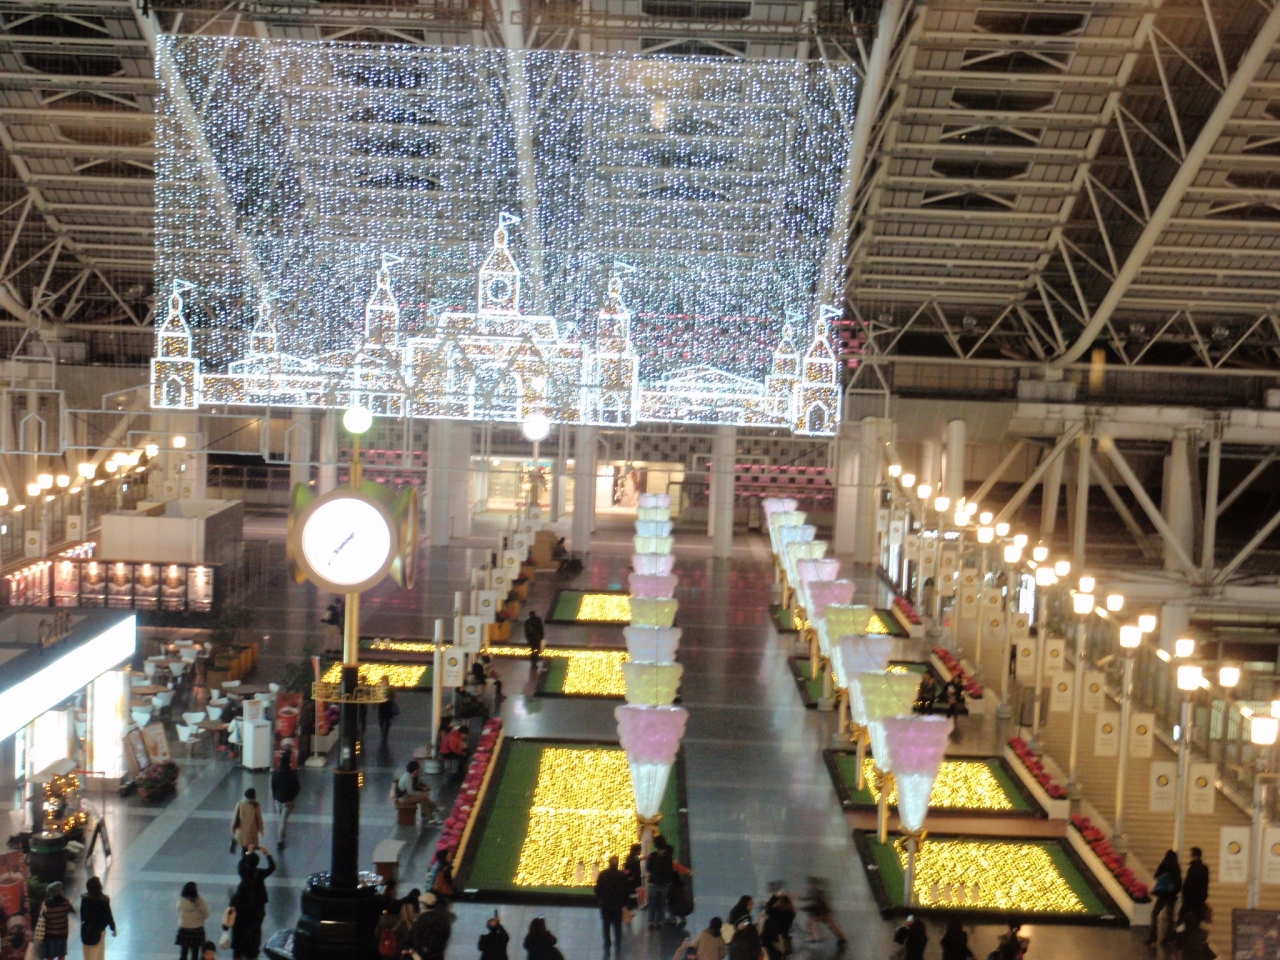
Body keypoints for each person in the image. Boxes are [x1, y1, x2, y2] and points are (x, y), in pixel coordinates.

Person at [228, 848, 275, 960]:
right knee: (253, 937)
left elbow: (241, 864)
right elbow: (272, 867)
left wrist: (248, 852)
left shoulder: (243, 873)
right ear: (257, 863)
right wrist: (267, 854)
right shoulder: (259, 873)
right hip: (255, 911)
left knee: (239, 945)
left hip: (241, 918)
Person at [595, 855, 631, 953]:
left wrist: (600, 899)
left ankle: (607, 942)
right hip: (617, 905)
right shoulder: (621, 876)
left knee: (606, 924)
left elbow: (598, 889)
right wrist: (625, 903)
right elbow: (626, 891)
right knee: (617, 924)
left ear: (609, 863)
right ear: (617, 864)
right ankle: (618, 942)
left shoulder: (603, 874)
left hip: (605, 904)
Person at [1146, 849, 1182, 944]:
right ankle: (1168, 937)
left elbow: (1156, 876)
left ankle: (1153, 936)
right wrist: (1174, 891)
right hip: (1172, 896)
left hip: (1163, 895)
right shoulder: (1176, 868)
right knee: (1170, 917)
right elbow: (1179, 883)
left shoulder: (1164, 865)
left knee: (1154, 914)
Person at [79, 876, 116, 960]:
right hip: (99, 931)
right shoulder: (103, 900)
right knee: (99, 954)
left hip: (87, 931)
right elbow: (108, 915)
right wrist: (112, 928)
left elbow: (82, 915)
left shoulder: (85, 899)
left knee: (88, 955)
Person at [271, 749, 301, 850]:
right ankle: (280, 840)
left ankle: (281, 837)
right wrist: (292, 798)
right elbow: (297, 788)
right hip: (288, 801)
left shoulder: (275, 774)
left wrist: (275, 797)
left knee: (281, 820)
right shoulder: (292, 774)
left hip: (277, 800)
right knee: (282, 821)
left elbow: (273, 787)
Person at [800, 878, 845, 946]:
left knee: (813, 923)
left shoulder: (817, 893)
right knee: (831, 924)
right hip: (822, 912)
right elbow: (813, 900)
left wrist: (806, 907)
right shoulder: (818, 891)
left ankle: (813, 937)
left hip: (821, 912)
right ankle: (841, 937)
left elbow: (817, 903)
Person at [410, 892, 454, 960]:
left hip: (425, 955)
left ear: (424, 905)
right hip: (439, 954)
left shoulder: (421, 919)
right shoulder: (442, 918)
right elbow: (447, 933)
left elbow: (415, 937)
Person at [394, 760, 439, 824]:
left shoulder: (408, 775)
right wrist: (421, 794)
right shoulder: (407, 778)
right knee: (423, 797)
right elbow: (411, 792)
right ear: (414, 770)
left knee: (423, 800)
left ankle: (431, 817)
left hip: (406, 796)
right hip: (404, 799)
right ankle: (433, 808)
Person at [38, 881, 75, 960]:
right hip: (62, 935)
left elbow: (42, 916)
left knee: (49, 956)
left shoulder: (46, 904)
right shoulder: (65, 903)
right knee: (61, 956)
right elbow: (72, 910)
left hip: (50, 935)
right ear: (60, 891)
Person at [647, 835, 675, 928]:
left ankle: (650, 922)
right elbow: (670, 869)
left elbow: (648, 868)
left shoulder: (653, 855)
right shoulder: (668, 856)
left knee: (652, 902)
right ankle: (659, 922)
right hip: (664, 883)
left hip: (653, 882)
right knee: (661, 903)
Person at [1179, 846, 1210, 931]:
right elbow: (1205, 885)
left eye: (1190, 855)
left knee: (1182, 920)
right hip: (1199, 901)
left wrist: (1185, 897)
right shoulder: (1204, 868)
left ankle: (1180, 938)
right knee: (1196, 922)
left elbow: (1188, 885)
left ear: (1194, 856)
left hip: (1190, 900)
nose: (1190, 857)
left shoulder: (1193, 868)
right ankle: (1194, 941)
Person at [176, 881, 210, 960]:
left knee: (183, 951)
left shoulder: (180, 900)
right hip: (197, 929)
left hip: (184, 929)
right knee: (195, 952)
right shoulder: (199, 901)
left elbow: (178, 911)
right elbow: (206, 914)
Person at [760, 891, 795, 960]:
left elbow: (768, 907)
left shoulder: (775, 913)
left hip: (772, 941)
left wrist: (775, 896)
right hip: (782, 941)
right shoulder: (790, 915)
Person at [231, 788, 264, 854]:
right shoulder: (256, 805)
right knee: (250, 849)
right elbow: (259, 819)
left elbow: (235, 818)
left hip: (242, 831)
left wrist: (233, 829)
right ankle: (247, 859)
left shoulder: (240, 803)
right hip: (252, 832)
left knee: (244, 848)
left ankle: (244, 859)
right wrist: (261, 829)